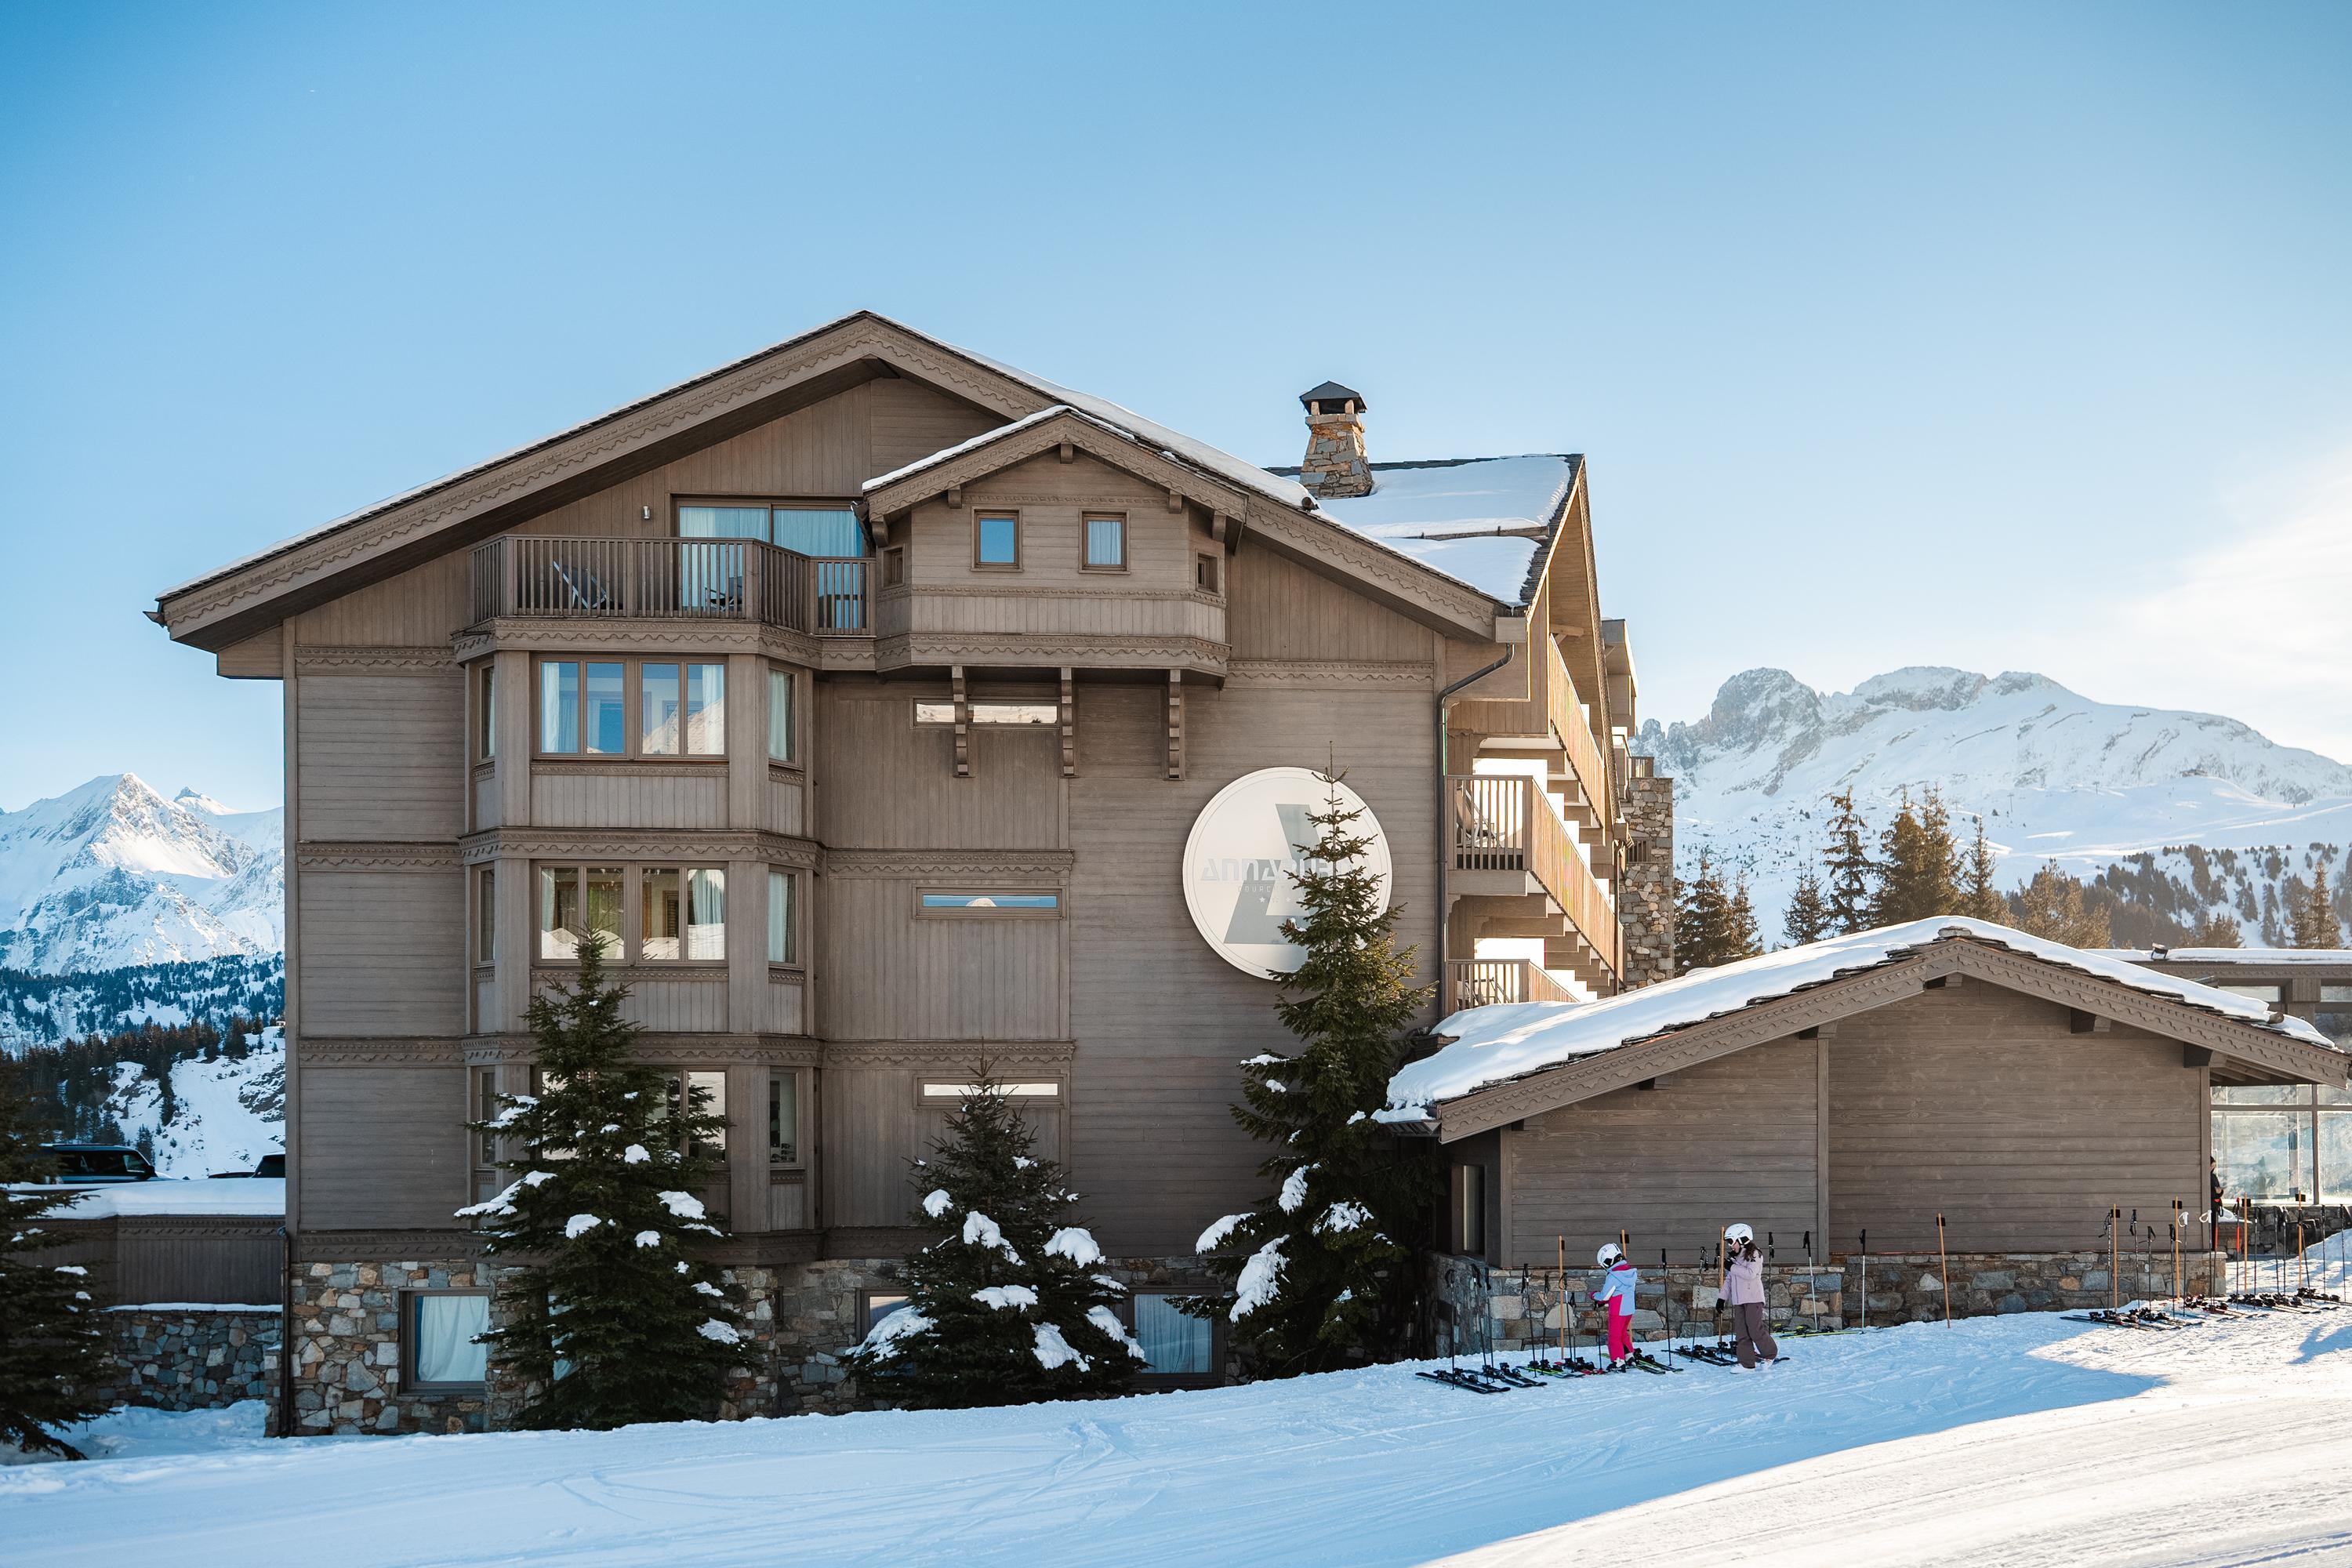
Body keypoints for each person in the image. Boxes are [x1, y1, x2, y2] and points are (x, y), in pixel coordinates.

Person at [1722, 1222, 1777, 1370]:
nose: (1730, 1246)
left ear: (1741, 1238)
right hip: (1739, 1301)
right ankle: (1746, 1364)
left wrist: (1732, 1267)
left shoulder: (1755, 1254)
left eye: (1730, 1241)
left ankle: (1770, 1354)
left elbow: (1751, 1274)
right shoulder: (1736, 1258)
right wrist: (1721, 1299)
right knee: (1741, 1332)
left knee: (1754, 1329)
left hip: (1753, 1299)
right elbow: (1729, 1280)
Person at [1595, 1243, 1638, 1368]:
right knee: (1623, 1334)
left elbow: (1604, 1296)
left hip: (1617, 1310)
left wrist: (1593, 1295)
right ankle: (1629, 1356)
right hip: (1629, 1309)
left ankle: (1618, 1361)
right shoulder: (1630, 1272)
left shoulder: (1614, 1276)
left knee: (1614, 1337)